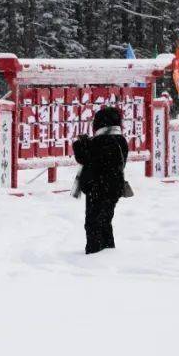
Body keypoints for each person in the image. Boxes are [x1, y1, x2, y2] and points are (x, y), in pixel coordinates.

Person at [72, 105, 129, 254]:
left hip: (97, 188)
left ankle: (94, 253)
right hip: (114, 188)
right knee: (105, 221)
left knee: (93, 223)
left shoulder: (100, 141)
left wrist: (80, 143)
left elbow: (83, 157)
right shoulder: (120, 140)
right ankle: (108, 250)